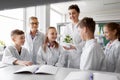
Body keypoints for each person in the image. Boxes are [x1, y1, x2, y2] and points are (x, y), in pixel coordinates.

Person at [63, 4, 85, 68]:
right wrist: (66, 45)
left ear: (78, 13)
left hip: (80, 56)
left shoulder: (83, 25)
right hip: (69, 56)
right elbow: (66, 40)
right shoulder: (67, 27)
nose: (71, 15)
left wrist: (75, 47)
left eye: (73, 13)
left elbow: (86, 41)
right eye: (69, 14)